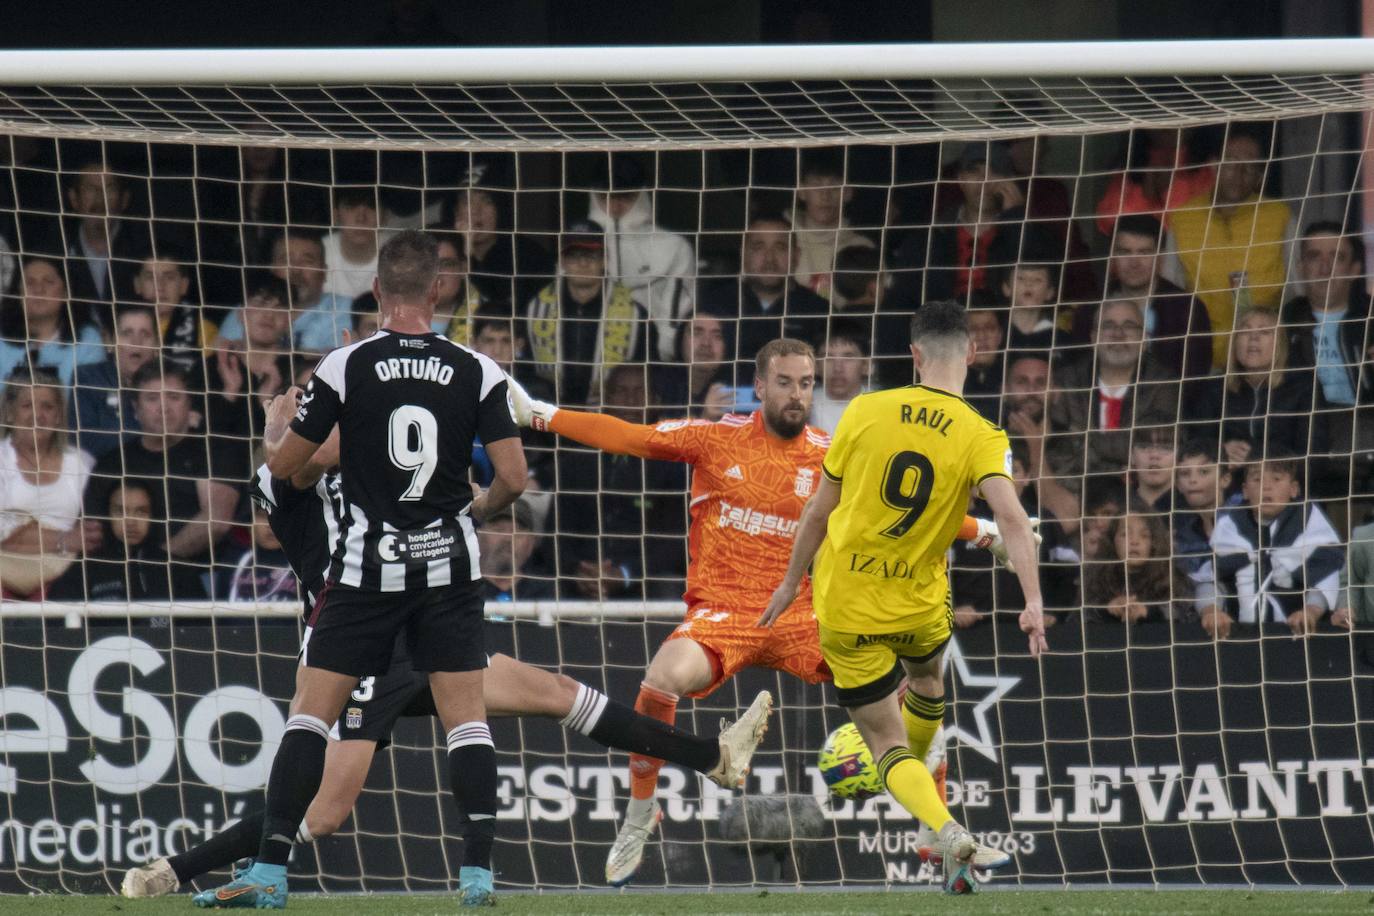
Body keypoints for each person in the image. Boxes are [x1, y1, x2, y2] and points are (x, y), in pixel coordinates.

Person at [124, 440, 771, 901]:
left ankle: (711, 756)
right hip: (359, 652)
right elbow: (271, 499)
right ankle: (176, 870)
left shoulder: (388, 464)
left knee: (556, 692)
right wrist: (284, 428)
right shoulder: (295, 487)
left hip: (425, 632)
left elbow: (451, 498)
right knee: (322, 814)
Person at [506, 336, 1022, 886]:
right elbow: (631, 437)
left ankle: (937, 839)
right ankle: (639, 813)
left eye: (806, 383)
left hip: (808, 616)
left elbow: (897, 506)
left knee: (919, 699)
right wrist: (542, 416)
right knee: (660, 678)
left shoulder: (831, 449)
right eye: (785, 383)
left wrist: (986, 532)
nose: (797, 394)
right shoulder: (717, 438)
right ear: (759, 387)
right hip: (727, 613)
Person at [203, 230, 524, 908]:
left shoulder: (346, 367)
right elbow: (515, 478)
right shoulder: (478, 369)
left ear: (376, 290)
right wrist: (480, 505)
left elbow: (287, 469)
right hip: (447, 569)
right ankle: (476, 875)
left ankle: (269, 872)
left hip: (367, 571)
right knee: (466, 722)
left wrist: (282, 440)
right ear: (440, 290)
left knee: (308, 717)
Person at [758, 301, 1045, 894]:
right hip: (919, 604)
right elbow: (1013, 519)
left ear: (913, 355)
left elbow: (820, 508)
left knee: (885, 743)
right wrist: (1033, 599)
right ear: (971, 353)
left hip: (849, 603)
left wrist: (790, 582)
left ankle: (942, 825)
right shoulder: (983, 434)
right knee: (929, 683)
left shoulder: (864, 410)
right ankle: (926, 813)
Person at [88, 362, 245, 597]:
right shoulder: (112, 463)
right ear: (135, 408)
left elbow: (216, 522)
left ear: (189, 402)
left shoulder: (215, 449)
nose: (164, 408)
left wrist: (156, 563)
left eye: (173, 397)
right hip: (124, 578)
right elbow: (96, 529)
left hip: (203, 577)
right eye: (152, 399)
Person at [1164, 128, 1296, 370]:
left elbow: (1296, 291)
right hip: (1200, 359)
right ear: (1214, 165)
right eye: (1233, 163)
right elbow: (1169, 293)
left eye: (1250, 166)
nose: (1240, 173)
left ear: (1260, 174)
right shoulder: (1184, 219)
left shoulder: (1279, 216)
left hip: (1265, 360)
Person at [1280, 223, 1374, 521]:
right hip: (1300, 432)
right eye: (1314, 256)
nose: (1324, 266)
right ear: (1300, 267)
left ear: (1356, 268)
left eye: (1337, 257)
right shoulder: (1281, 322)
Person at [1046, 299, 1183, 489]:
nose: (1118, 334)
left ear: (1144, 339)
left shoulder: (1164, 384)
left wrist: (1081, 439)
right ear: (1093, 338)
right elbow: (1058, 451)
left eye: (1129, 327)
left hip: (1137, 492)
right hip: (1073, 489)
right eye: (1109, 326)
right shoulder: (1066, 381)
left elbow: (1155, 444)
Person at [523, 218, 656, 407]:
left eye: (591, 255)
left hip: (610, 417)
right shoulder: (535, 309)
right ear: (562, 261)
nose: (583, 263)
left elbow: (648, 373)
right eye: (574, 255)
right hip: (550, 414)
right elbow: (525, 370)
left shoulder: (636, 314)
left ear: (605, 260)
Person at [1206, 457, 1343, 639]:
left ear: (1294, 489)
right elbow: (1210, 578)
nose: (1266, 487)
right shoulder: (1229, 526)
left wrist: (1310, 612)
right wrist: (1210, 611)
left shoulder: (1309, 521)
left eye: (1276, 479)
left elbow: (1326, 578)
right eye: (1257, 480)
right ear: (1245, 490)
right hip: (1236, 635)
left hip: (1296, 637)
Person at [585, 155, 695, 358]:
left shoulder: (673, 247)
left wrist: (662, 353)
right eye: (605, 196)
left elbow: (676, 314)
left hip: (650, 356)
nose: (615, 205)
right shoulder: (577, 246)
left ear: (642, 194)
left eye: (626, 196)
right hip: (587, 354)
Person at [0, 368, 96, 598]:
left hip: (67, 580)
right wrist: (64, 540)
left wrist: (23, 531)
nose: (38, 415)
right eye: (27, 406)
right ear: (10, 413)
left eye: (47, 407)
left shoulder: (81, 463)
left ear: (58, 415)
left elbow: (89, 536)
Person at [697, 215, 827, 376]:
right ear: (743, 254)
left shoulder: (819, 311)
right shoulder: (714, 304)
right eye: (758, 247)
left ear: (796, 256)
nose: (769, 258)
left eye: (780, 248)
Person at [50, 477, 204, 603]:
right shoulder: (82, 569)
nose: (130, 521)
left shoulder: (179, 571)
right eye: (120, 511)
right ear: (107, 515)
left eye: (141, 512)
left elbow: (201, 631)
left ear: (154, 516)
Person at [1098, 214, 1212, 378]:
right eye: (1125, 251)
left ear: (1161, 257)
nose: (1134, 262)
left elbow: (1193, 380)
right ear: (1112, 255)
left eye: (1144, 252)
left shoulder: (1188, 310)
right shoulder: (1092, 306)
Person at [216, 230, 354, 353]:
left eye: (307, 261)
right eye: (286, 260)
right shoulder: (248, 310)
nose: (295, 270)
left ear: (324, 272)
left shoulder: (345, 309)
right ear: (272, 269)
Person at [62, 161, 151, 331]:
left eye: (109, 189)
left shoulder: (144, 249)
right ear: (74, 199)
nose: (100, 197)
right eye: (90, 189)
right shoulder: (57, 248)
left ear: (124, 199)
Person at [68, 304, 159, 459]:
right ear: (109, 341)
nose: (136, 341)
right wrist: (153, 434)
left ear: (157, 344)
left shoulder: (171, 382)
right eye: (126, 333)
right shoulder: (88, 378)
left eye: (145, 334)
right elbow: (83, 441)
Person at [0, 254, 105, 386]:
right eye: (30, 283)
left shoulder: (87, 340)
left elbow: (90, 400)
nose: (38, 289)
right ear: (18, 293)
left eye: (48, 282)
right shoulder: (2, 341)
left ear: (66, 292)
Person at [1083, 502, 1192, 624]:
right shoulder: (1096, 576)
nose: (1134, 541)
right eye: (1125, 534)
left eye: (1144, 536)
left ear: (1154, 543)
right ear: (1112, 541)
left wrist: (1147, 612)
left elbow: (1185, 613)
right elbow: (1078, 616)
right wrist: (1107, 608)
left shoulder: (1171, 576)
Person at [788, 152, 874, 302]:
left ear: (848, 192)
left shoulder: (861, 246)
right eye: (816, 185)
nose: (825, 195)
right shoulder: (781, 238)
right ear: (801, 191)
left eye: (834, 187)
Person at [322, 186, 387, 301]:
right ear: (335, 215)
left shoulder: (399, 253)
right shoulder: (319, 253)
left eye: (372, 206)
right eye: (351, 207)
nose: (361, 218)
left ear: (384, 217)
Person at [810, 319, 871, 433]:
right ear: (816, 365)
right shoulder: (805, 405)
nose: (838, 368)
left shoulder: (879, 404)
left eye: (848, 357)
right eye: (828, 358)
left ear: (865, 365)